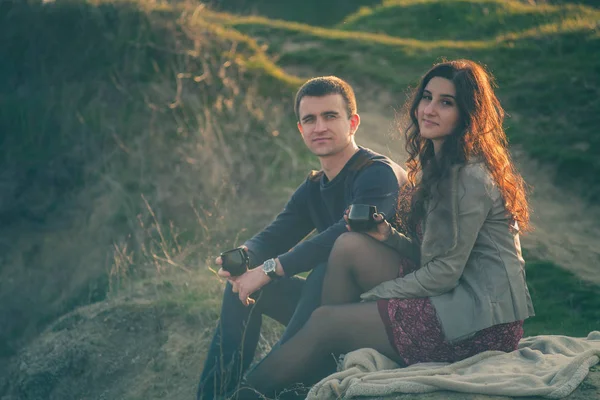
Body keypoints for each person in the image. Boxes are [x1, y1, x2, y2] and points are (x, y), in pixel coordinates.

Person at [241, 59, 536, 399]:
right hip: (454, 298)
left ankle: (244, 394)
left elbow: (444, 273)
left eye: (446, 102)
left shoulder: (468, 177)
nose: (429, 109)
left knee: (327, 321)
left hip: (481, 321)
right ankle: (319, 367)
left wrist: (369, 298)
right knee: (350, 244)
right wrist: (388, 237)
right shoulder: (437, 167)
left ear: (467, 113)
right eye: (427, 97)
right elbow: (432, 254)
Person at [196, 76, 408, 399]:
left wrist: (271, 269)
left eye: (330, 116)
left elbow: (346, 233)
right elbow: (274, 235)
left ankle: (266, 384)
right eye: (309, 119)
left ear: (353, 122)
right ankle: (213, 395)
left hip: (380, 314)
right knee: (240, 286)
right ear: (300, 129)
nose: (319, 127)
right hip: (330, 304)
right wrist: (244, 257)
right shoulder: (314, 187)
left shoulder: (377, 173)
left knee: (322, 270)